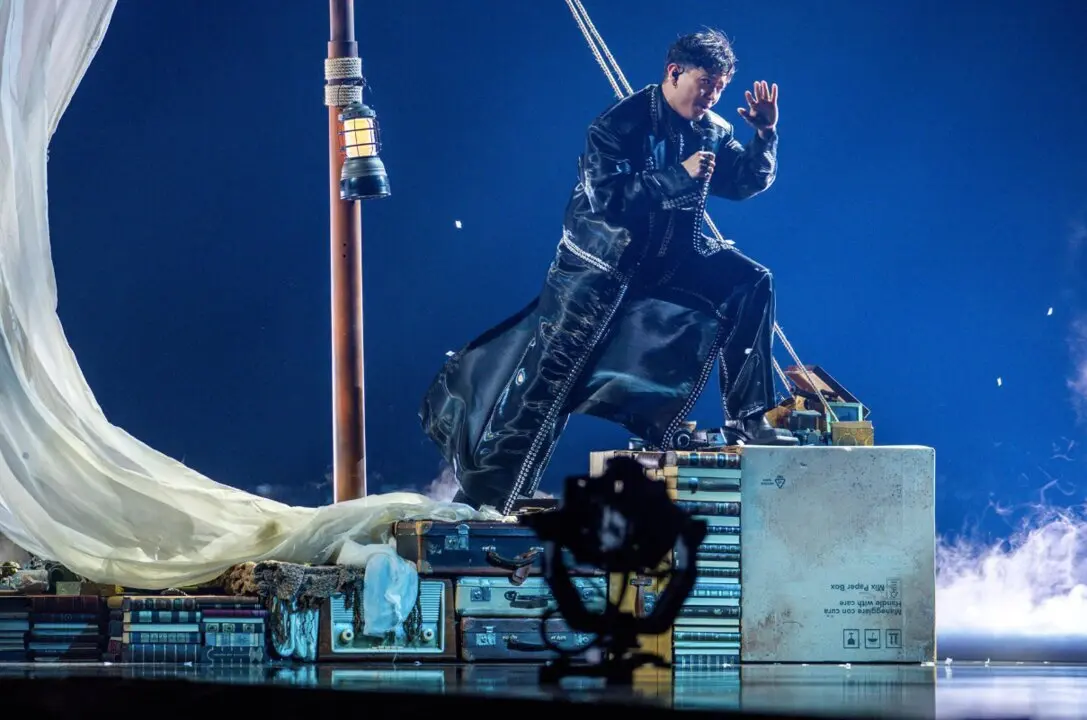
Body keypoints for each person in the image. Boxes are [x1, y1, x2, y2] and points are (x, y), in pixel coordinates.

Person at [420, 29, 795, 514]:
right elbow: (608, 200)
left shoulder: (711, 130)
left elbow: (744, 181)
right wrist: (677, 175)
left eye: (720, 86)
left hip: (668, 264)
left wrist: (765, 135)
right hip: (595, 275)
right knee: (549, 384)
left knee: (749, 281)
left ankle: (748, 417)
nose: (712, 95)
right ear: (674, 72)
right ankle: (489, 498)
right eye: (705, 82)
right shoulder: (618, 125)